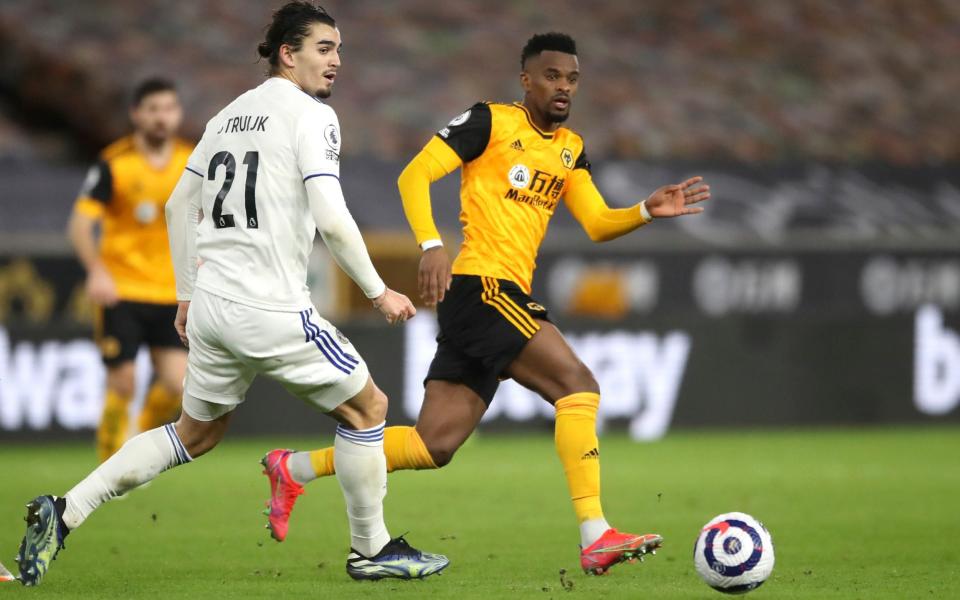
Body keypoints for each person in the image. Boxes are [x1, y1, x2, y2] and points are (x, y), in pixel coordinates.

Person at [15, 2, 448, 586]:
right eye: (325, 48)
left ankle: (65, 512)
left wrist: (188, 297)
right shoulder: (313, 116)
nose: (337, 61)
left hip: (213, 306)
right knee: (368, 408)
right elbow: (331, 215)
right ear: (287, 54)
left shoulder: (227, 116)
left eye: (340, 49)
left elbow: (177, 206)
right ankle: (371, 549)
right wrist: (376, 290)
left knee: (195, 433)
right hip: (269, 304)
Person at [261, 32, 711, 575]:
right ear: (527, 80)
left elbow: (595, 222)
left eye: (571, 79)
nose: (563, 87)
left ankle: (297, 468)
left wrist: (642, 210)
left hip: (494, 296)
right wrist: (431, 244)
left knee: (434, 445)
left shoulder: (570, 147)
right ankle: (596, 533)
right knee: (580, 387)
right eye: (551, 76)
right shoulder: (491, 121)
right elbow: (415, 175)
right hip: (482, 287)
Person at [68, 78, 191, 461]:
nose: (161, 118)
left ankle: (140, 434)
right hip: (122, 290)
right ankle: (108, 460)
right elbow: (79, 224)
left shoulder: (193, 161)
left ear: (178, 114)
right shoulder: (115, 163)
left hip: (171, 292)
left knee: (178, 386)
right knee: (123, 382)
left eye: (168, 109)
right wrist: (97, 271)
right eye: (153, 109)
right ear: (136, 114)